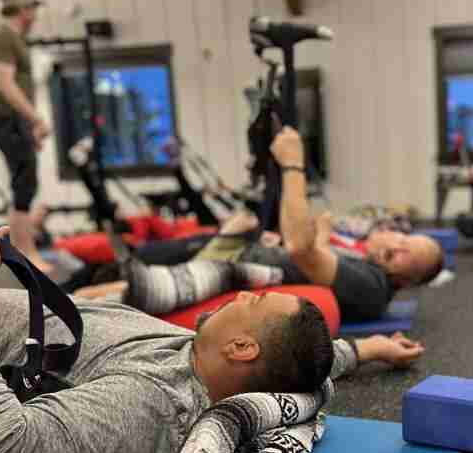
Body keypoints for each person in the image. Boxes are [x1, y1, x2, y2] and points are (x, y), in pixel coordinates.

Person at [0, 164, 426, 453]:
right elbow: (304, 368)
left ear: (243, 349)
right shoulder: (189, 354)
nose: (245, 293)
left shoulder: (151, 405)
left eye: (256, 300)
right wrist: (366, 350)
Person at [74, 127, 445, 323]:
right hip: (239, 252)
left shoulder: (371, 286)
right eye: (403, 241)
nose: (393, 247)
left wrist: (293, 165)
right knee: (119, 269)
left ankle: (55, 305)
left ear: (404, 282)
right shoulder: (362, 258)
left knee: (128, 281)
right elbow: (308, 247)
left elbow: (301, 250)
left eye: (401, 257)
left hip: (234, 270)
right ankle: (69, 288)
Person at [0, 0, 52, 273]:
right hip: (5, 119)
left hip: (14, 121)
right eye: (33, 8)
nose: (35, 15)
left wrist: (29, 124)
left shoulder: (13, 38)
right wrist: (35, 118)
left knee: (27, 182)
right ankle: (25, 252)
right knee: (24, 183)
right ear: (24, 9)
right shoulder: (2, 36)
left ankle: (26, 249)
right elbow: (5, 84)